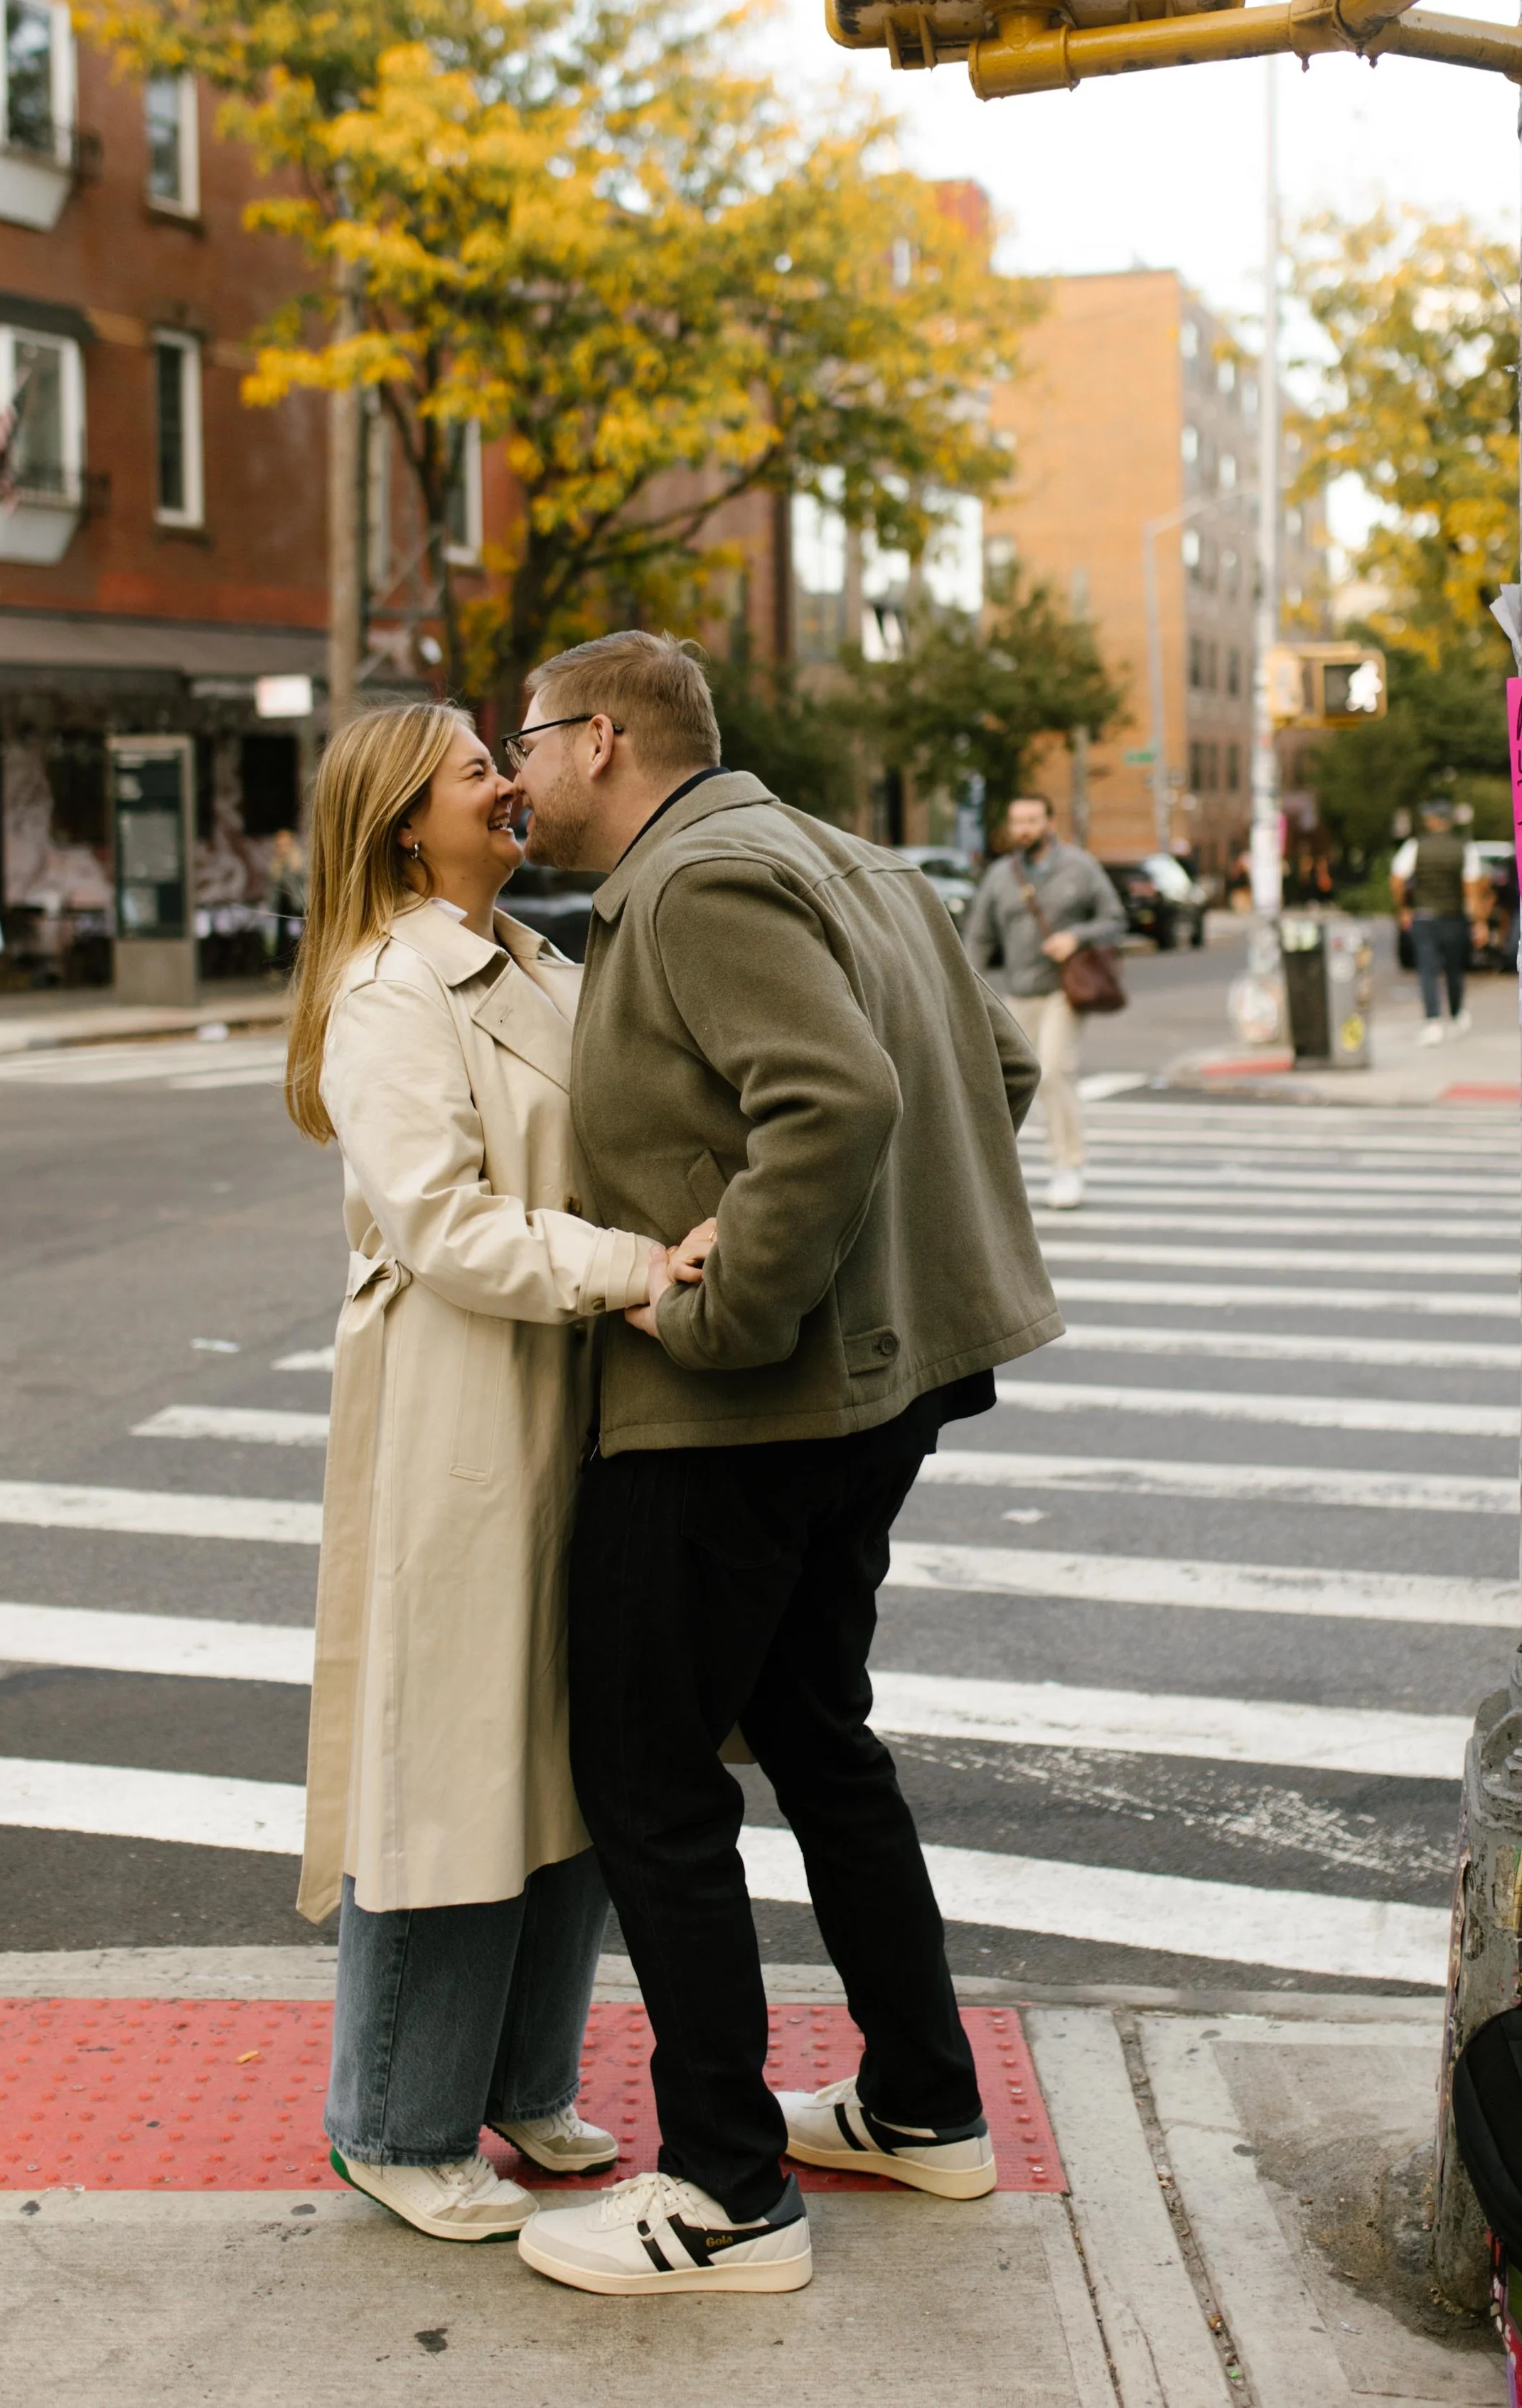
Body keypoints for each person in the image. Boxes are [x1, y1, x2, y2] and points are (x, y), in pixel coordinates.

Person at [505, 631, 1061, 2300]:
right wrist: (868, 1277)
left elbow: (835, 1095)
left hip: (744, 1402)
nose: (514, 769)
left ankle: (727, 2191)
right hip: (876, 1392)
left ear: (600, 739)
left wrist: (730, 1305)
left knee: (650, 1771)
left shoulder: (693, 885)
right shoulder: (855, 859)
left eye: (524, 739)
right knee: (816, 1730)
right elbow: (996, 1072)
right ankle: (919, 2099)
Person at [284, 700, 713, 2247]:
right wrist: (633, 1265)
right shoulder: (393, 989)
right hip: (464, 1404)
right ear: (408, 818)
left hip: (577, 1389)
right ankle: (396, 2122)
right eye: (478, 769)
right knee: (449, 1763)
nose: (508, 783)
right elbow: (439, 1224)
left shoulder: (533, 959)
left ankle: (525, 2081)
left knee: (566, 1750)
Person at [960, 793, 1126, 1212]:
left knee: (1054, 1072)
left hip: (1063, 991)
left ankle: (1067, 1165)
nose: (1025, 829)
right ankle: (995, 1179)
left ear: (1051, 822)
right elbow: (978, 939)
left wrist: (1076, 937)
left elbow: (1115, 919)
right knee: (1005, 1085)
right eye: (1018, 822)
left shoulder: (1080, 867)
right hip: (1017, 993)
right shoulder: (1000, 876)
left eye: (1033, 820)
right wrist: (962, 984)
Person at [1391, 803, 1480, 1046]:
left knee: (1427, 970)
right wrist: (1477, 920)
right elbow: (1471, 886)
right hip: (1454, 915)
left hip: (1424, 915)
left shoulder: (1415, 846)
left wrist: (1404, 907)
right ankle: (1457, 1014)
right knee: (1454, 968)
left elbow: (1397, 879)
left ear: (1433, 821)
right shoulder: (1464, 847)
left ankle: (1433, 1021)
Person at [264, 824, 306, 969]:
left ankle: (304, 961)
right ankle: (281, 964)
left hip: (299, 902)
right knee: (281, 935)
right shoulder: (276, 863)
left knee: (303, 933)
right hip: (283, 905)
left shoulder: (298, 860)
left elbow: (300, 883)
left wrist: (288, 864)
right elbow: (273, 888)